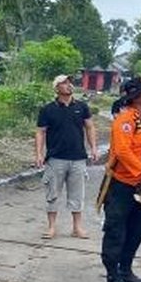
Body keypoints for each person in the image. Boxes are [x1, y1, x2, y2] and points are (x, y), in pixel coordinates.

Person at [100, 77, 141, 282]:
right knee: (116, 230)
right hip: (121, 185)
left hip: (140, 186)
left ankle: (125, 270)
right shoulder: (124, 120)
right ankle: (112, 277)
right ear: (135, 97)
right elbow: (124, 152)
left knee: (137, 229)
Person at [35, 74, 97, 239]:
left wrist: (94, 148)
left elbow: (90, 127)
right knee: (52, 194)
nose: (69, 85)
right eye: (64, 83)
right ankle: (51, 227)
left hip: (78, 157)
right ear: (57, 88)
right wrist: (39, 154)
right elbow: (40, 132)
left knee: (77, 194)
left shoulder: (82, 107)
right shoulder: (48, 109)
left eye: (69, 82)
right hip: (56, 158)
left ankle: (77, 228)